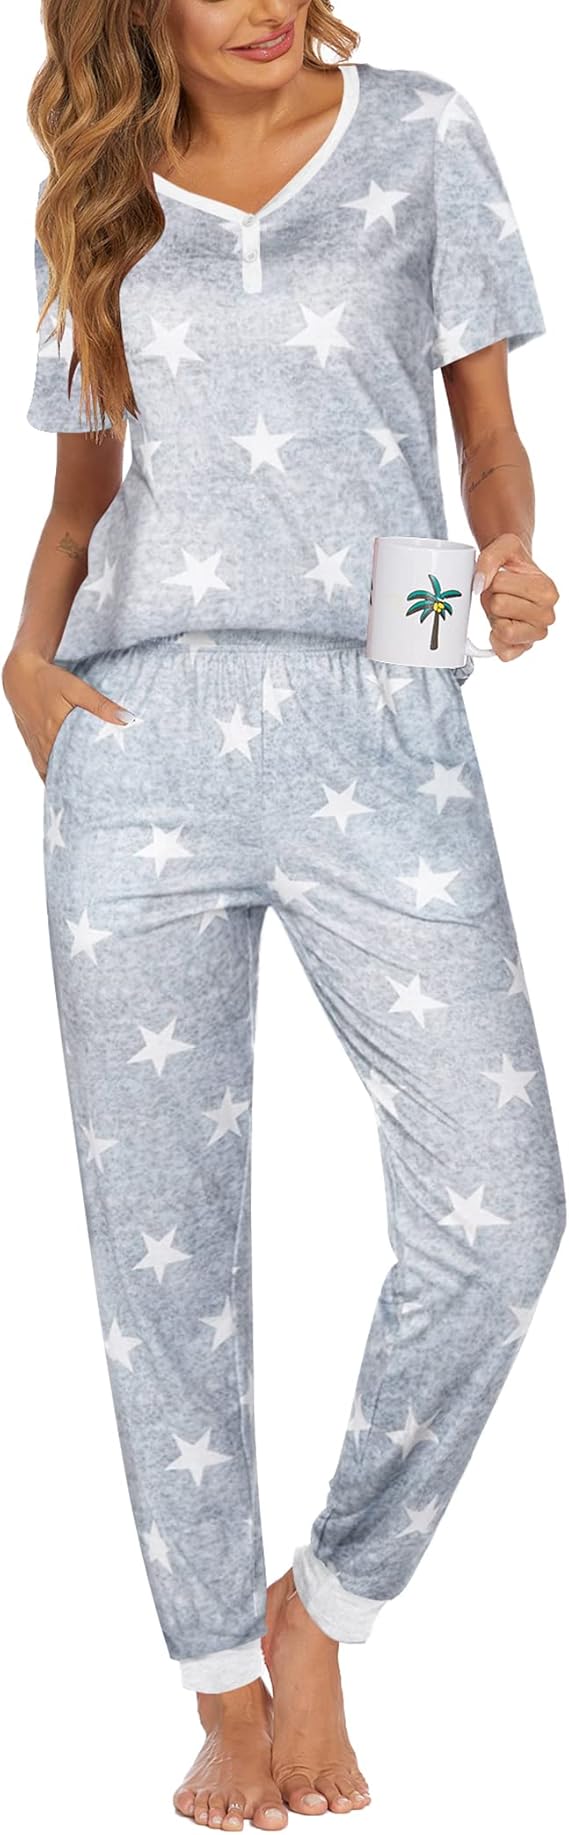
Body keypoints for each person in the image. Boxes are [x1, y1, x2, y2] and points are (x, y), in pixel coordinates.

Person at [3, 3, 565, 1828]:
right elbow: (84, 493)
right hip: (137, 735)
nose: (259, 1)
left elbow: (480, 446)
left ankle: (319, 1608)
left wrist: (489, 578)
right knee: (159, 1250)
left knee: (501, 1211)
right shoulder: (96, 185)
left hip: (378, 708)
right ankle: (218, 1690)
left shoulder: (420, 131)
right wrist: (26, 669)